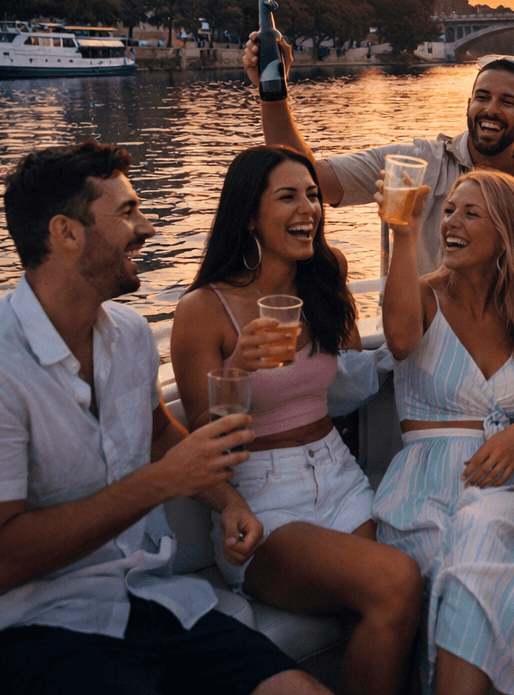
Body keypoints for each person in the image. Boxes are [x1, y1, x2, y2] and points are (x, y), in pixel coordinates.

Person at [0, 141, 329, 695]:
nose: (147, 227)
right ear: (66, 233)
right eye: (128, 212)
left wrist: (229, 502)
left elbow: (157, 434)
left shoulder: (129, 336)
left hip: (139, 596)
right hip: (15, 631)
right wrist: (162, 482)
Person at [170, 145, 422, 695]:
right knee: (396, 581)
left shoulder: (325, 277)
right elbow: (205, 444)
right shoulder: (202, 310)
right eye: (287, 196)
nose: (308, 207)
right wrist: (239, 368)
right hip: (264, 496)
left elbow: (345, 373)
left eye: (312, 194)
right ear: (248, 216)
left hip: (339, 474)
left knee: (413, 583)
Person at [372, 168, 514, 695]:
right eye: (449, 210)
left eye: (470, 213)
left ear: (506, 233)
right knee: (455, 569)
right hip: (420, 489)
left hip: (500, 485)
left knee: (478, 546)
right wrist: (403, 233)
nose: (451, 221)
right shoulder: (422, 297)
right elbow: (401, 341)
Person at [243, 37, 514, 280]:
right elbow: (310, 177)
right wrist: (273, 93)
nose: (491, 109)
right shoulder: (417, 163)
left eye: (507, 102)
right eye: (482, 97)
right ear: (468, 106)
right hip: (415, 330)